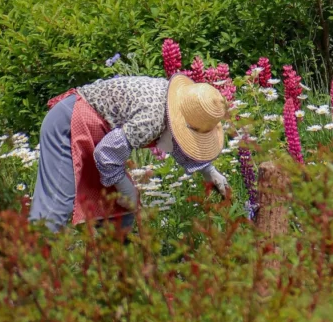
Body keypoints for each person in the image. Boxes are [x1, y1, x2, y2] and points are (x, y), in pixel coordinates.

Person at [29, 73, 230, 232]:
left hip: (98, 135)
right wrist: (127, 190)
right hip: (68, 125)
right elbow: (106, 155)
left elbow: (179, 139)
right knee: (55, 208)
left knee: (118, 213)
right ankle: (28, 272)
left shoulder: (177, 102)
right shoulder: (152, 120)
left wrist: (208, 171)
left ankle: (117, 273)